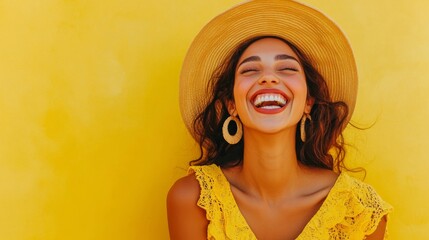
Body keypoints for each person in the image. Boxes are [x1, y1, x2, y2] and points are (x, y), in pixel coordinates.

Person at [167, 1, 393, 239]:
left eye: (286, 68)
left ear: (308, 101)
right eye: (250, 70)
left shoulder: (359, 211)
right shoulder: (193, 200)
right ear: (231, 105)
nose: (268, 78)